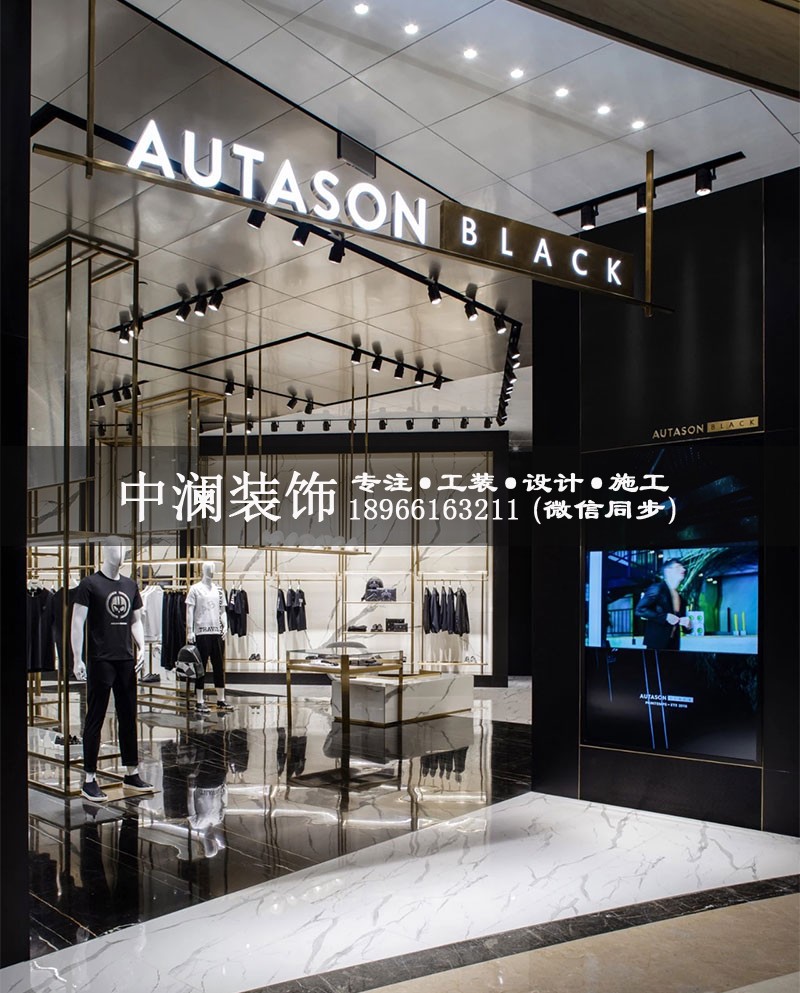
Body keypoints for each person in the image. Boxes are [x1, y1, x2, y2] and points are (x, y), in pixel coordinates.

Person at [72, 538, 153, 801]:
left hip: (125, 659)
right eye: (117, 548)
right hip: (100, 659)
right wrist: (77, 658)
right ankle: (89, 778)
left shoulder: (130, 585)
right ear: (106, 551)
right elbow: (77, 622)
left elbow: (135, 620)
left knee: (128, 716)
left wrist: (142, 648)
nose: (121, 553)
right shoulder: (89, 584)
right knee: (95, 717)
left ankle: (131, 772)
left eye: (124, 549)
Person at [186, 562, 233, 714]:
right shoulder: (195, 589)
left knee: (219, 666)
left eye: (213, 568)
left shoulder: (219, 590)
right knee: (200, 668)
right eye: (209, 568)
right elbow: (189, 610)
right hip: (201, 632)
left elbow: (223, 610)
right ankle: (199, 700)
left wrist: (225, 626)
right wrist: (190, 630)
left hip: (216, 632)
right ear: (203, 570)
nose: (212, 570)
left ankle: (221, 698)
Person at [635, 557, 692, 649]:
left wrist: (688, 625)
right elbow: (639, 610)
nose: (683, 569)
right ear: (668, 571)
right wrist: (665, 617)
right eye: (678, 567)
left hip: (673, 644)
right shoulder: (657, 588)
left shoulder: (681, 597)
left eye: (683, 567)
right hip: (656, 644)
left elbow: (685, 629)